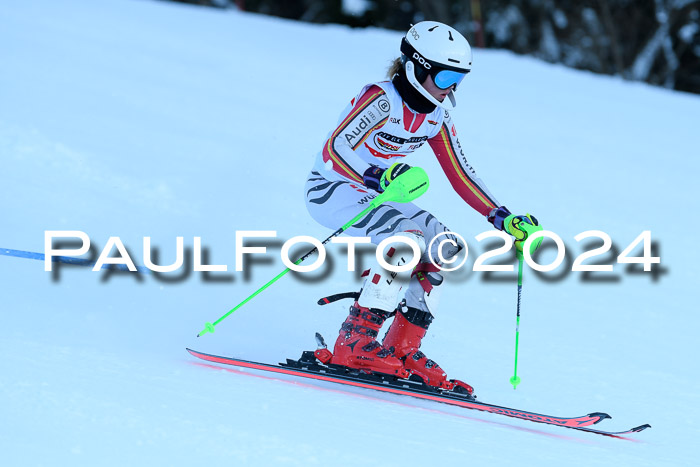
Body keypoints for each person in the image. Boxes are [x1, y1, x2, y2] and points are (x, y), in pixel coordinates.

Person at [304, 21, 539, 395]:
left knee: (447, 246)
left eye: (458, 80)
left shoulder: (437, 116)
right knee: (408, 238)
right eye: (445, 76)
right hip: (332, 187)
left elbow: (461, 173)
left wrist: (503, 217)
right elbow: (336, 149)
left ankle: (402, 347)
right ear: (417, 66)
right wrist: (376, 175)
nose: (450, 89)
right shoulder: (381, 99)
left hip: (380, 193)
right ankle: (355, 342)